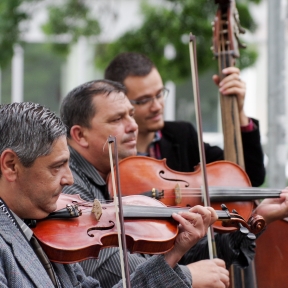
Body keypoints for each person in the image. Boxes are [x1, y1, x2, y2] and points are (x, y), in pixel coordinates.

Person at [60, 79, 261, 288]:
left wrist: (255, 220)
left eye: (131, 114)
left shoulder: (118, 177)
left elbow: (166, 252)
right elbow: (107, 265)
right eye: (117, 119)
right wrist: (187, 275)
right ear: (80, 135)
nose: (133, 126)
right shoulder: (68, 185)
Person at [0, 101, 218, 288]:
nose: (69, 179)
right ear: (11, 165)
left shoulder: (44, 227)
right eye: (56, 166)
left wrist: (172, 254)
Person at [104, 52, 265, 188]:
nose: (157, 106)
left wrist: (239, 112)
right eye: (144, 100)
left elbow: (249, 176)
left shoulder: (182, 135)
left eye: (159, 94)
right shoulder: (107, 150)